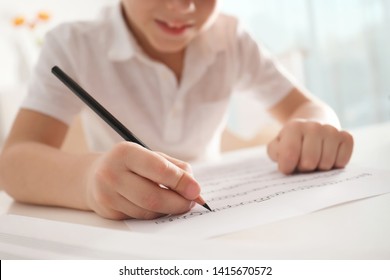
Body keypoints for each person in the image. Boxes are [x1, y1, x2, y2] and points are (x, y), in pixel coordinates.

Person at [0, 0, 353, 220]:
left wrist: (315, 126)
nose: (183, 7)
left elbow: (309, 106)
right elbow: (14, 163)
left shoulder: (231, 38)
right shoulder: (73, 45)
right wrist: (90, 181)